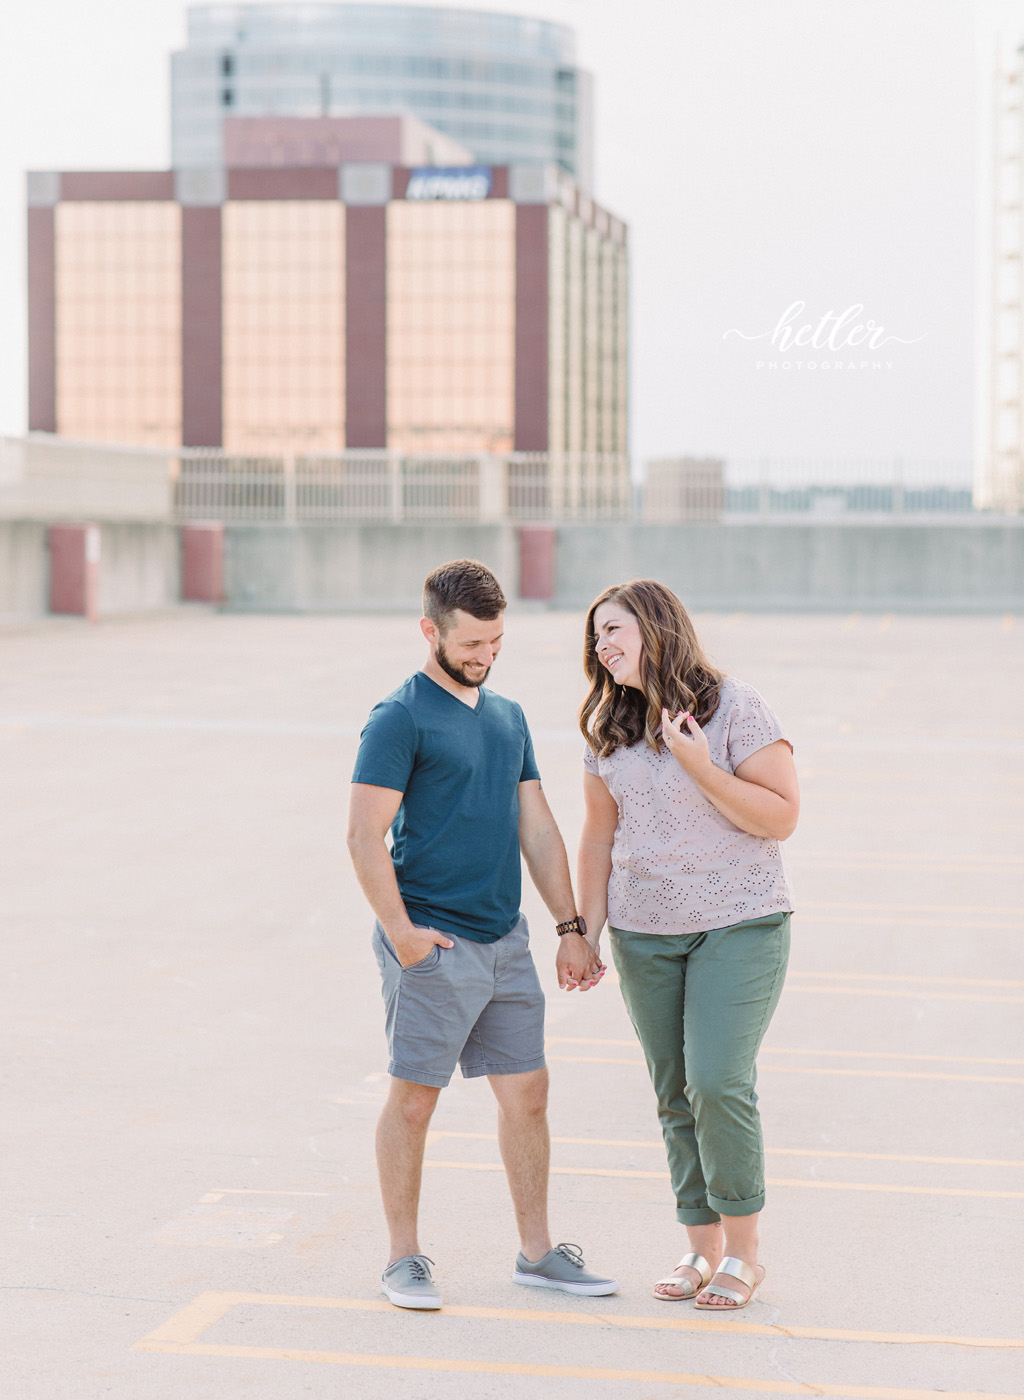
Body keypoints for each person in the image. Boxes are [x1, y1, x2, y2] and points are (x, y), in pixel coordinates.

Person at [348, 558, 616, 1310]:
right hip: (433, 943)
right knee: (413, 1101)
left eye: (497, 642)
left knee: (528, 1093)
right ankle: (403, 1259)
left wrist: (571, 928)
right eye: (472, 644)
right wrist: (401, 932)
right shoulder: (398, 717)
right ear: (430, 630)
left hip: (506, 941)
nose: (486, 656)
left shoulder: (507, 717)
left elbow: (535, 824)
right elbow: (363, 835)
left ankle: (537, 1255)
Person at [576, 579, 799, 1311]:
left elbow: (781, 816)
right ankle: (700, 1250)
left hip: (740, 921)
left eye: (614, 630)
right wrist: (581, 931)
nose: (603, 645)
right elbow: (599, 835)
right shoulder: (609, 725)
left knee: (716, 1082)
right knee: (674, 1094)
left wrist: (701, 766)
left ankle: (745, 1254)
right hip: (645, 932)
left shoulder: (736, 706)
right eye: (596, 635)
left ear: (654, 626)